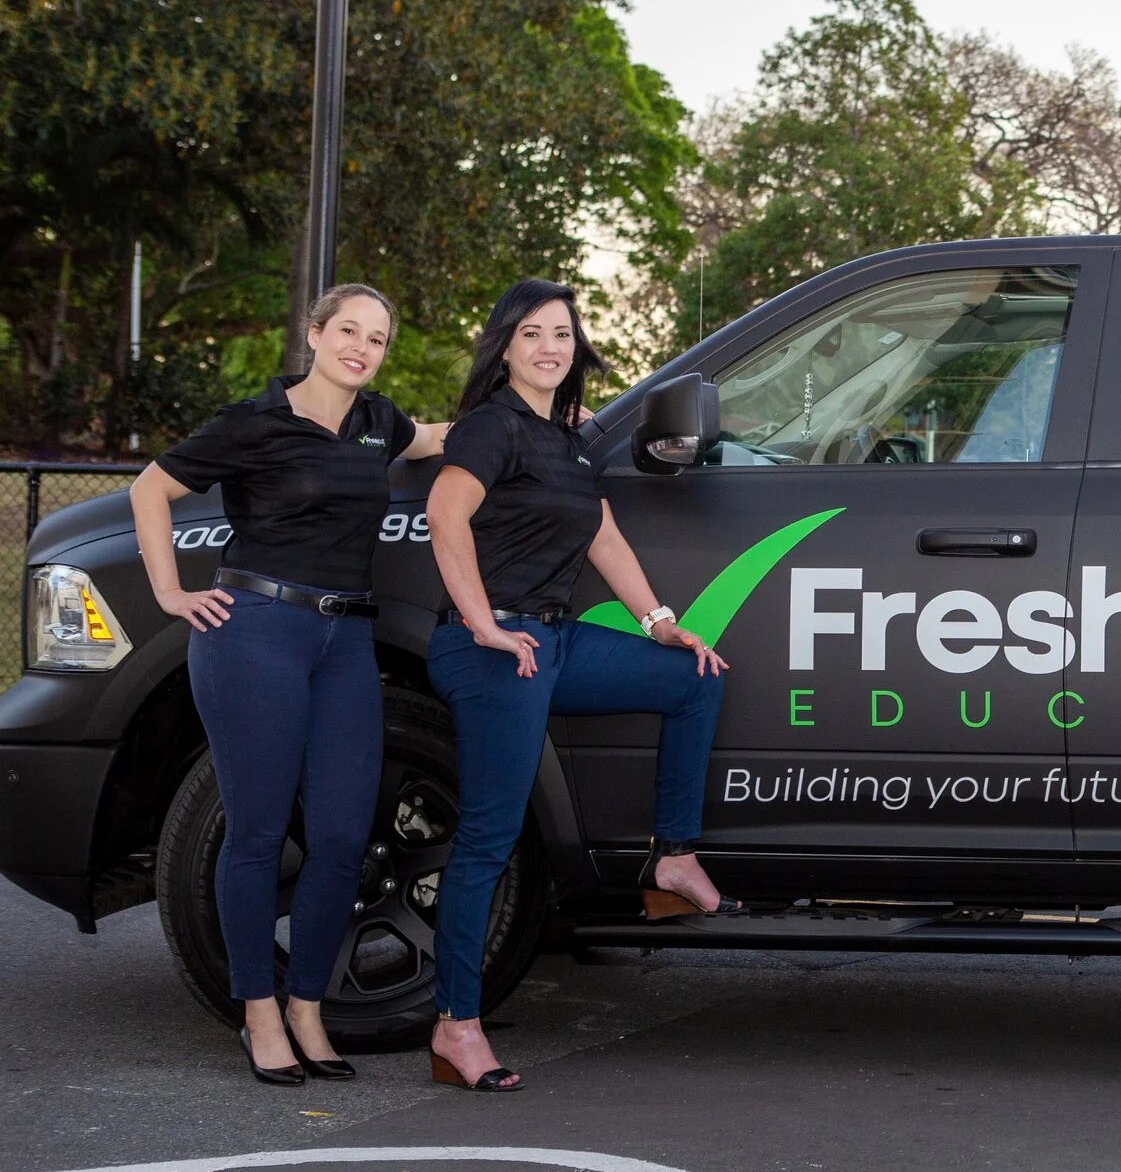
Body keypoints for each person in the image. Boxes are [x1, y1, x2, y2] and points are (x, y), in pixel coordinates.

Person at [129, 284, 447, 1086]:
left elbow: (436, 437)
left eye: (377, 338)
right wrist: (170, 592)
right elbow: (150, 489)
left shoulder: (380, 423)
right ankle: (259, 1012)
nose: (361, 348)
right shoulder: (254, 421)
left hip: (347, 639)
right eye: (348, 330)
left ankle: (308, 1002)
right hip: (255, 634)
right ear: (314, 333)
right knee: (259, 830)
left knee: (342, 836)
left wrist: (545, 419)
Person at [424, 279, 732, 1093]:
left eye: (561, 333)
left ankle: (672, 856)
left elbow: (605, 539)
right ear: (505, 346)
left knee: (692, 677)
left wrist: (662, 620)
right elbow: (444, 517)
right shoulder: (491, 427)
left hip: (554, 640)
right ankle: (458, 1027)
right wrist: (484, 622)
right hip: (493, 648)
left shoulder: (567, 440)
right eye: (532, 334)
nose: (550, 347)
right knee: (488, 838)